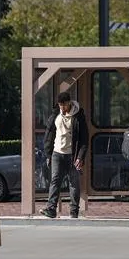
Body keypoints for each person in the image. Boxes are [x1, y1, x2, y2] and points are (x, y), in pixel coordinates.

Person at [41, 91, 89, 219]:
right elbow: (49, 134)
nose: (63, 108)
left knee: (74, 182)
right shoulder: (56, 114)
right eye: (60, 105)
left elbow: (84, 138)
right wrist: (48, 153)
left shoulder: (78, 116)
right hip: (57, 153)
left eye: (65, 105)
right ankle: (51, 209)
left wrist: (80, 156)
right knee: (55, 180)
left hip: (72, 155)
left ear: (69, 103)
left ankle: (74, 211)